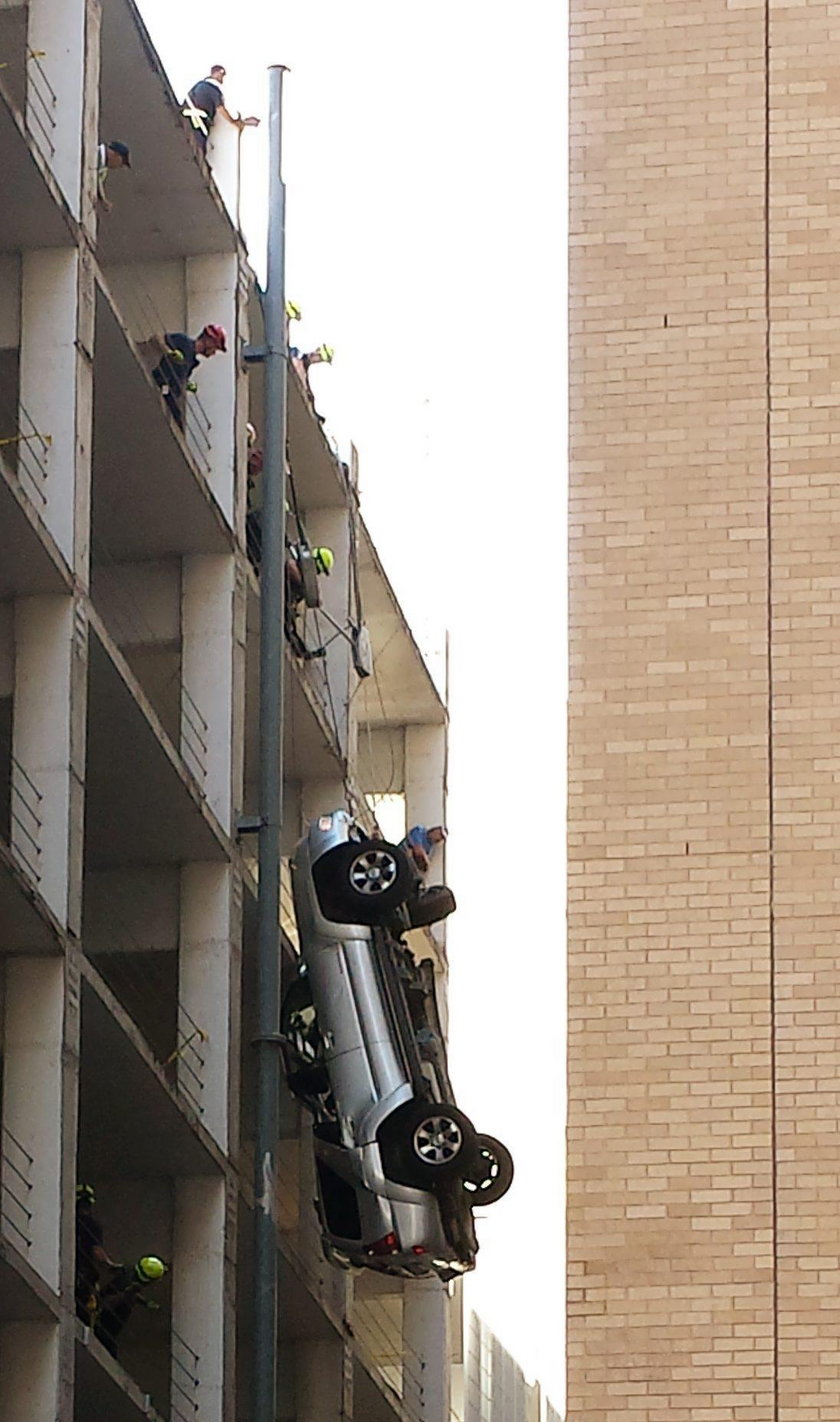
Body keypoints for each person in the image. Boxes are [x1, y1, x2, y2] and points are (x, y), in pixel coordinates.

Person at [143, 324, 227, 428]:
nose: (213, 352)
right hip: (161, 382)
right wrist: (169, 352)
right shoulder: (183, 341)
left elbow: (179, 378)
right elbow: (156, 338)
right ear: (208, 340)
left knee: (177, 417)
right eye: (215, 347)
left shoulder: (192, 361)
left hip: (170, 390)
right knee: (174, 412)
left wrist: (187, 385)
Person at [94, 1255, 168, 1358]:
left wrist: (145, 1302)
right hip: (106, 1323)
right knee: (108, 1348)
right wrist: (128, 1295)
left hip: (109, 1317)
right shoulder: (129, 1287)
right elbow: (107, 1303)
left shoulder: (129, 1273)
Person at [183, 65, 259, 154]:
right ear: (217, 73)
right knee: (198, 150)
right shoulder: (212, 89)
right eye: (222, 75)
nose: (222, 78)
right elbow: (220, 109)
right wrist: (233, 122)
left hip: (187, 121)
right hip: (199, 123)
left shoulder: (197, 87)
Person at [75, 1184, 121, 1326]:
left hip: (70, 1270)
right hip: (84, 1273)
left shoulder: (69, 1221)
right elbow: (96, 1251)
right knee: (85, 1307)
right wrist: (110, 1265)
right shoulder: (92, 1225)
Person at [96, 140, 131, 213]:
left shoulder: (104, 170)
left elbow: (98, 182)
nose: (120, 166)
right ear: (116, 155)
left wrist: (103, 199)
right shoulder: (96, 150)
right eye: (122, 162)